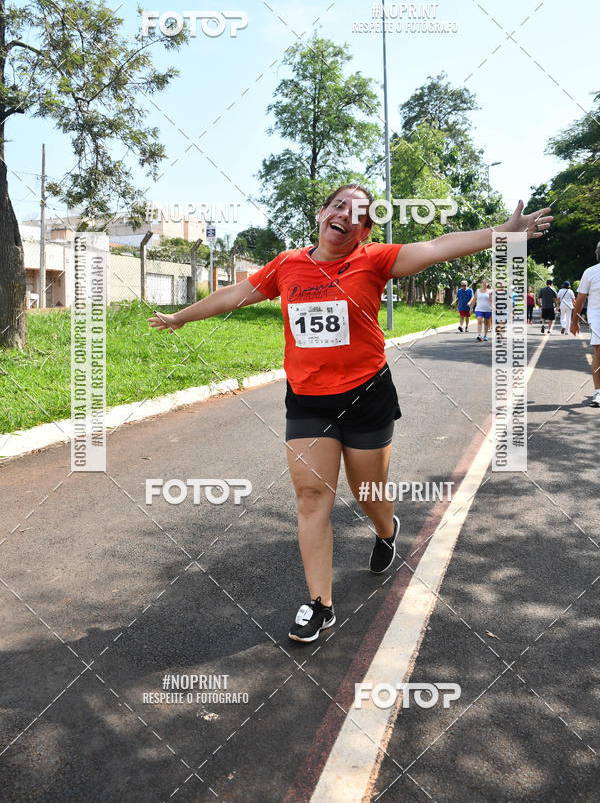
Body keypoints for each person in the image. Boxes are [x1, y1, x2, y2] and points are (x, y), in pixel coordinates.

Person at [148, 186, 552, 642]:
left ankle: (386, 529)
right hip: (307, 399)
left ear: (363, 232)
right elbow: (236, 293)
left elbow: (438, 247)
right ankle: (321, 604)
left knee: (368, 492)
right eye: (339, 205)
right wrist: (181, 317)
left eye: (358, 214)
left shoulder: (374, 259)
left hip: (366, 394)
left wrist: (501, 233)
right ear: (322, 213)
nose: (345, 215)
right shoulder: (287, 264)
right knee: (311, 497)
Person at [570, 241, 600, 407]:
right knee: (599, 352)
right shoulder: (590, 272)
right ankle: (598, 392)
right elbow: (580, 299)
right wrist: (574, 321)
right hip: (597, 318)